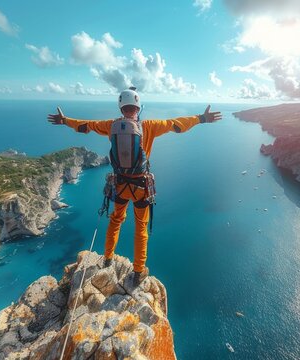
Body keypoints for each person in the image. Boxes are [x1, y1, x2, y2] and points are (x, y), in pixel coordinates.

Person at [47, 87, 221, 285]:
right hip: (141, 187)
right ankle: (138, 271)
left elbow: (85, 126)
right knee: (141, 227)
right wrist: (202, 118)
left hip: (120, 185)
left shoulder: (111, 125)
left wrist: (65, 120)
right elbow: (177, 125)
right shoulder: (149, 126)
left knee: (115, 220)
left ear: (121, 108)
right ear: (138, 107)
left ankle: (108, 259)